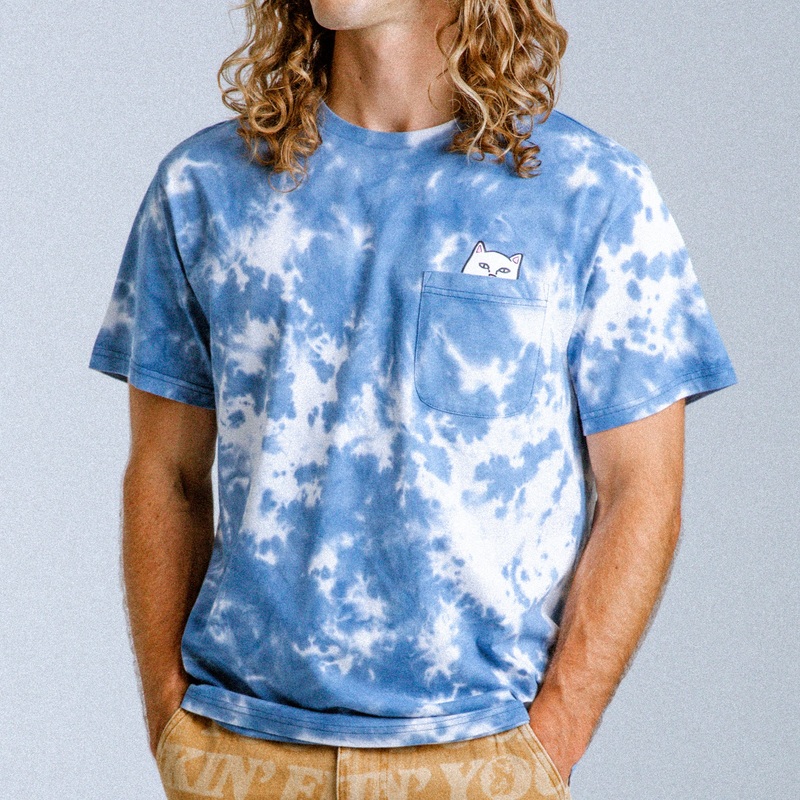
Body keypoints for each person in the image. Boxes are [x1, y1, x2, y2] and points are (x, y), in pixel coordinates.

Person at [87, 1, 737, 797]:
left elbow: (643, 491)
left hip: (476, 754)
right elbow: (167, 475)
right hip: (240, 748)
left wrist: (551, 742)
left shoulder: (591, 194)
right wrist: (170, 721)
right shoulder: (203, 187)